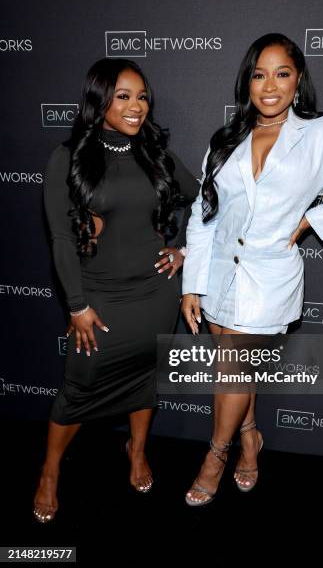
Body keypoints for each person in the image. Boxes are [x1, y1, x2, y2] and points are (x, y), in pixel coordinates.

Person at [181, 33, 323, 506]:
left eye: (282, 73)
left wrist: (313, 220)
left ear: (298, 81)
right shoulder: (226, 140)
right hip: (217, 276)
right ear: (247, 82)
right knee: (237, 371)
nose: (270, 85)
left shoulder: (321, 135)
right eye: (259, 74)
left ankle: (217, 455)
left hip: (267, 280)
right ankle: (251, 439)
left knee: (233, 372)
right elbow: (202, 213)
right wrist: (192, 283)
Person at [33, 58, 199, 523]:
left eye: (142, 96)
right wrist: (77, 305)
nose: (136, 106)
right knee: (77, 389)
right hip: (98, 301)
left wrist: (186, 248)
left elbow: (206, 198)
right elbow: (62, 239)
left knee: (145, 381)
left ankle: (137, 450)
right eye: (123, 96)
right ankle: (49, 472)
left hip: (156, 294)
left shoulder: (155, 155)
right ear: (99, 99)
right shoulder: (67, 158)